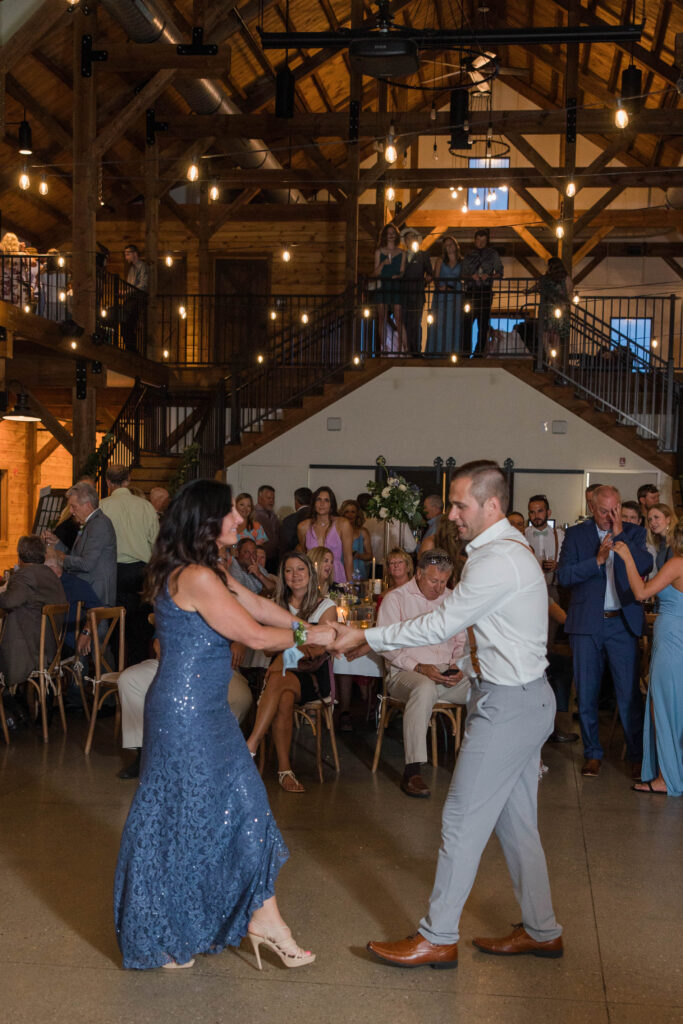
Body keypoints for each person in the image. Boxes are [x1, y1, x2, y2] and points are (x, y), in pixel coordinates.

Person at [334, 460, 563, 967]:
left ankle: (437, 937)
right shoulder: (499, 552)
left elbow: (442, 622)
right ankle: (543, 930)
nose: (452, 515)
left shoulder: (497, 558)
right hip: (521, 699)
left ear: (492, 505)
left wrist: (366, 636)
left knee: (460, 817)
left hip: (510, 706)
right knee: (517, 822)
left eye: (460, 504)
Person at [114, 480, 335, 970]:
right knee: (180, 817)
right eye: (231, 515)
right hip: (184, 713)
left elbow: (258, 607)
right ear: (207, 523)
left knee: (242, 803)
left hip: (205, 709)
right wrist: (314, 633)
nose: (241, 519)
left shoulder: (212, 568)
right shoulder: (195, 576)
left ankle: (262, 918)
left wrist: (306, 625)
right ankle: (175, 931)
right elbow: (252, 633)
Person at [557, 484, 652, 778]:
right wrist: (596, 561)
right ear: (591, 509)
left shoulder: (634, 533)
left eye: (614, 510)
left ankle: (636, 753)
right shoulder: (576, 534)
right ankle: (592, 753)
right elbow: (564, 576)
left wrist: (621, 535)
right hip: (586, 623)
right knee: (586, 693)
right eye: (603, 511)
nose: (610, 516)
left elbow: (647, 564)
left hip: (622, 623)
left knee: (628, 695)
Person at [377, 549, 470, 798]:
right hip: (406, 673)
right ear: (418, 573)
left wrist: (459, 667)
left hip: (445, 673)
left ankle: (478, 761)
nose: (439, 588)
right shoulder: (396, 599)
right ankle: (413, 771)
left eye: (443, 582)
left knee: (485, 686)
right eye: (433, 581)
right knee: (424, 687)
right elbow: (385, 645)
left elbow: (462, 640)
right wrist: (418, 667)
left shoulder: (452, 599)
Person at [246, 553, 337, 793]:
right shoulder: (277, 607)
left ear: (310, 574)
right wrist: (296, 646)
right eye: (288, 570)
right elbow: (266, 648)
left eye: (300, 570)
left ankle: (251, 745)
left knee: (278, 677)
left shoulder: (326, 607)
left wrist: (284, 650)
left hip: (314, 678)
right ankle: (284, 771)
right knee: (283, 694)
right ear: (283, 575)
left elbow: (318, 650)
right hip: (283, 675)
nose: (294, 575)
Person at [116, 637, 253, 781]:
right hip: (174, 664)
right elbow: (158, 638)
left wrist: (241, 642)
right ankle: (144, 754)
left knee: (240, 697)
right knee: (130, 679)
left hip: (217, 666)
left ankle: (214, 756)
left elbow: (249, 629)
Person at [613, 521, 683, 797]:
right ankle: (670, 772)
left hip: (672, 644)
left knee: (663, 708)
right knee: (674, 707)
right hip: (676, 640)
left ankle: (666, 778)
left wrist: (628, 558)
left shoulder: (677, 563)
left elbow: (642, 593)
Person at [0, 536, 67, 729]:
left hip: (29, 651)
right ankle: (17, 711)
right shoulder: (51, 576)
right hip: (49, 648)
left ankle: (12, 715)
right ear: (42, 554)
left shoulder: (25, 575)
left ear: (20, 556)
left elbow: (10, 602)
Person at [101, 464, 159, 664]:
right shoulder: (145, 506)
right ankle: (138, 679)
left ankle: (118, 675)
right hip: (140, 573)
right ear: (129, 480)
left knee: (115, 630)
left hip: (113, 573)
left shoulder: (102, 507)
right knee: (140, 631)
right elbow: (157, 544)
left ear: (108, 482)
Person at [48, 482, 117, 606]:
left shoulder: (99, 524)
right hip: (88, 591)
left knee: (95, 626)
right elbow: (76, 555)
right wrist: (57, 543)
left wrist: (62, 558)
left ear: (87, 505)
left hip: (96, 594)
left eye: (74, 507)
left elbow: (87, 564)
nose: (71, 511)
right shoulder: (91, 523)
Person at [297, 486, 353, 583]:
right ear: (313, 503)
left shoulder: (343, 524)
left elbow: (348, 557)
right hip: (312, 577)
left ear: (332, 505)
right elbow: (304, 554)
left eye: (326, 500)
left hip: (335, 576)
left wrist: (350, 584)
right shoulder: (303, 527)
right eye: (319, 499)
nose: (322, 504)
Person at [461, 228, 503, 356]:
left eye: (483, 241)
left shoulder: (493, 254)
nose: (480, 243)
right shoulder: (468, 255)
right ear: (475, 241)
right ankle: (465, 351)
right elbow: (462, 274)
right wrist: (471, 276)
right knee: (467, 321)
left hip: (485, 290)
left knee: (483, 323)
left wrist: (489, 276)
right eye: (478, 240)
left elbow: (500, 273)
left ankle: (479, 352)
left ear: (487, 241)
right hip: (471, 291)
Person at [425, 235, 463, 356]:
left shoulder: (461, 261)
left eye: (451, 244)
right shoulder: (440, 260)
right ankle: (438, 352)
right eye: (446, 245)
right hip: (441, 293)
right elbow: (436, 277)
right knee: (440, 321)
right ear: (444, 248)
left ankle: (453, 352)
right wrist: (439, 287)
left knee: (454, 322)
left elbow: (463, 277)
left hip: (456, 294)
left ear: (456, 246)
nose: (449, 247)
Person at [372, 222, 406, 354]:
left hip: (395, 284)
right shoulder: (379, 252)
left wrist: (399, 275)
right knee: (382, 317)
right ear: (385, 236)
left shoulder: (402, 252)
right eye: (388, 233)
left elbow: (402, 271)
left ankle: (404, 348)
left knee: (398, 317)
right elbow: (375, 273)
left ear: (396, 235)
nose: (391, 235)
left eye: (393, 233)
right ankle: (383, 347)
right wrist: (383, 264)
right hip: (383, 285)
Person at [400, 227, 433, 356]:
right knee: (405, 322)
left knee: (416, 322)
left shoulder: (423, 255)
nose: (410, 239)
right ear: (405, 241)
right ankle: (406, 349)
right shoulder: (401, 255)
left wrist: (423, 283)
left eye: (413, 237)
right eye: (408, 237)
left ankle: (416, 351)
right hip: (404, 294)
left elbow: (430, 274)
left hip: (418, 293)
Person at [525, 494, 564, 601]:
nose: (536, 515)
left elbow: (569, 563)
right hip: (528, 590)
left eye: (540, 511)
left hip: (552, 589)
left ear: (548, 513)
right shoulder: (523, 534)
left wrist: (557, 565)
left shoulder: (559, 535)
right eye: (532, 512)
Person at [419, 515, 465, 588]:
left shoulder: (455, 543)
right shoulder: (430, 543)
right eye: (454, 535)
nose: (457, 538)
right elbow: (423, 574)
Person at [122, 244, 149, 352]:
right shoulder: (131, 270)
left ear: (135, 254)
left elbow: (143, 285)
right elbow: (131, 286)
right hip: (131, 299)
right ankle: (130, 348)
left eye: (128, 254)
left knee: (129, 323)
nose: (126, 257)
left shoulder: (142, 266)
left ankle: (132, 350)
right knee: (125, 323)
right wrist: (126, 292)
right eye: (125, 254)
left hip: (137, 299)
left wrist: (127, 292)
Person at [339, 499, 372, 579]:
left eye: (353, 512)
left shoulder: (363, 532)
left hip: (358, 571)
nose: (349, 515)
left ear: (357, 514)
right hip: (340, 571)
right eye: (347, 512)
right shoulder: (336, 532)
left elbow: (370, 555)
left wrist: (358, 555)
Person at [252, 485, 280, 572]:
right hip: (259, 559)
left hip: (273, 559)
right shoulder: (253, 515)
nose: (271, 501)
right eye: (268, 498)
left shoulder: (273, 515)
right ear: (260, 498)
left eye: (273, 498)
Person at [279, 487, 313, 558]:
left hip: (294, 560)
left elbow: (285, 546)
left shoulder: (289, 520)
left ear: (296, 501)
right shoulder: (319, 518)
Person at [646, 503, 674, 572]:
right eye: (650, 519)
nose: (652, 522)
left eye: (656, 517)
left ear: (668, 519)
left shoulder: (677, 540)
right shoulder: (660, 543)